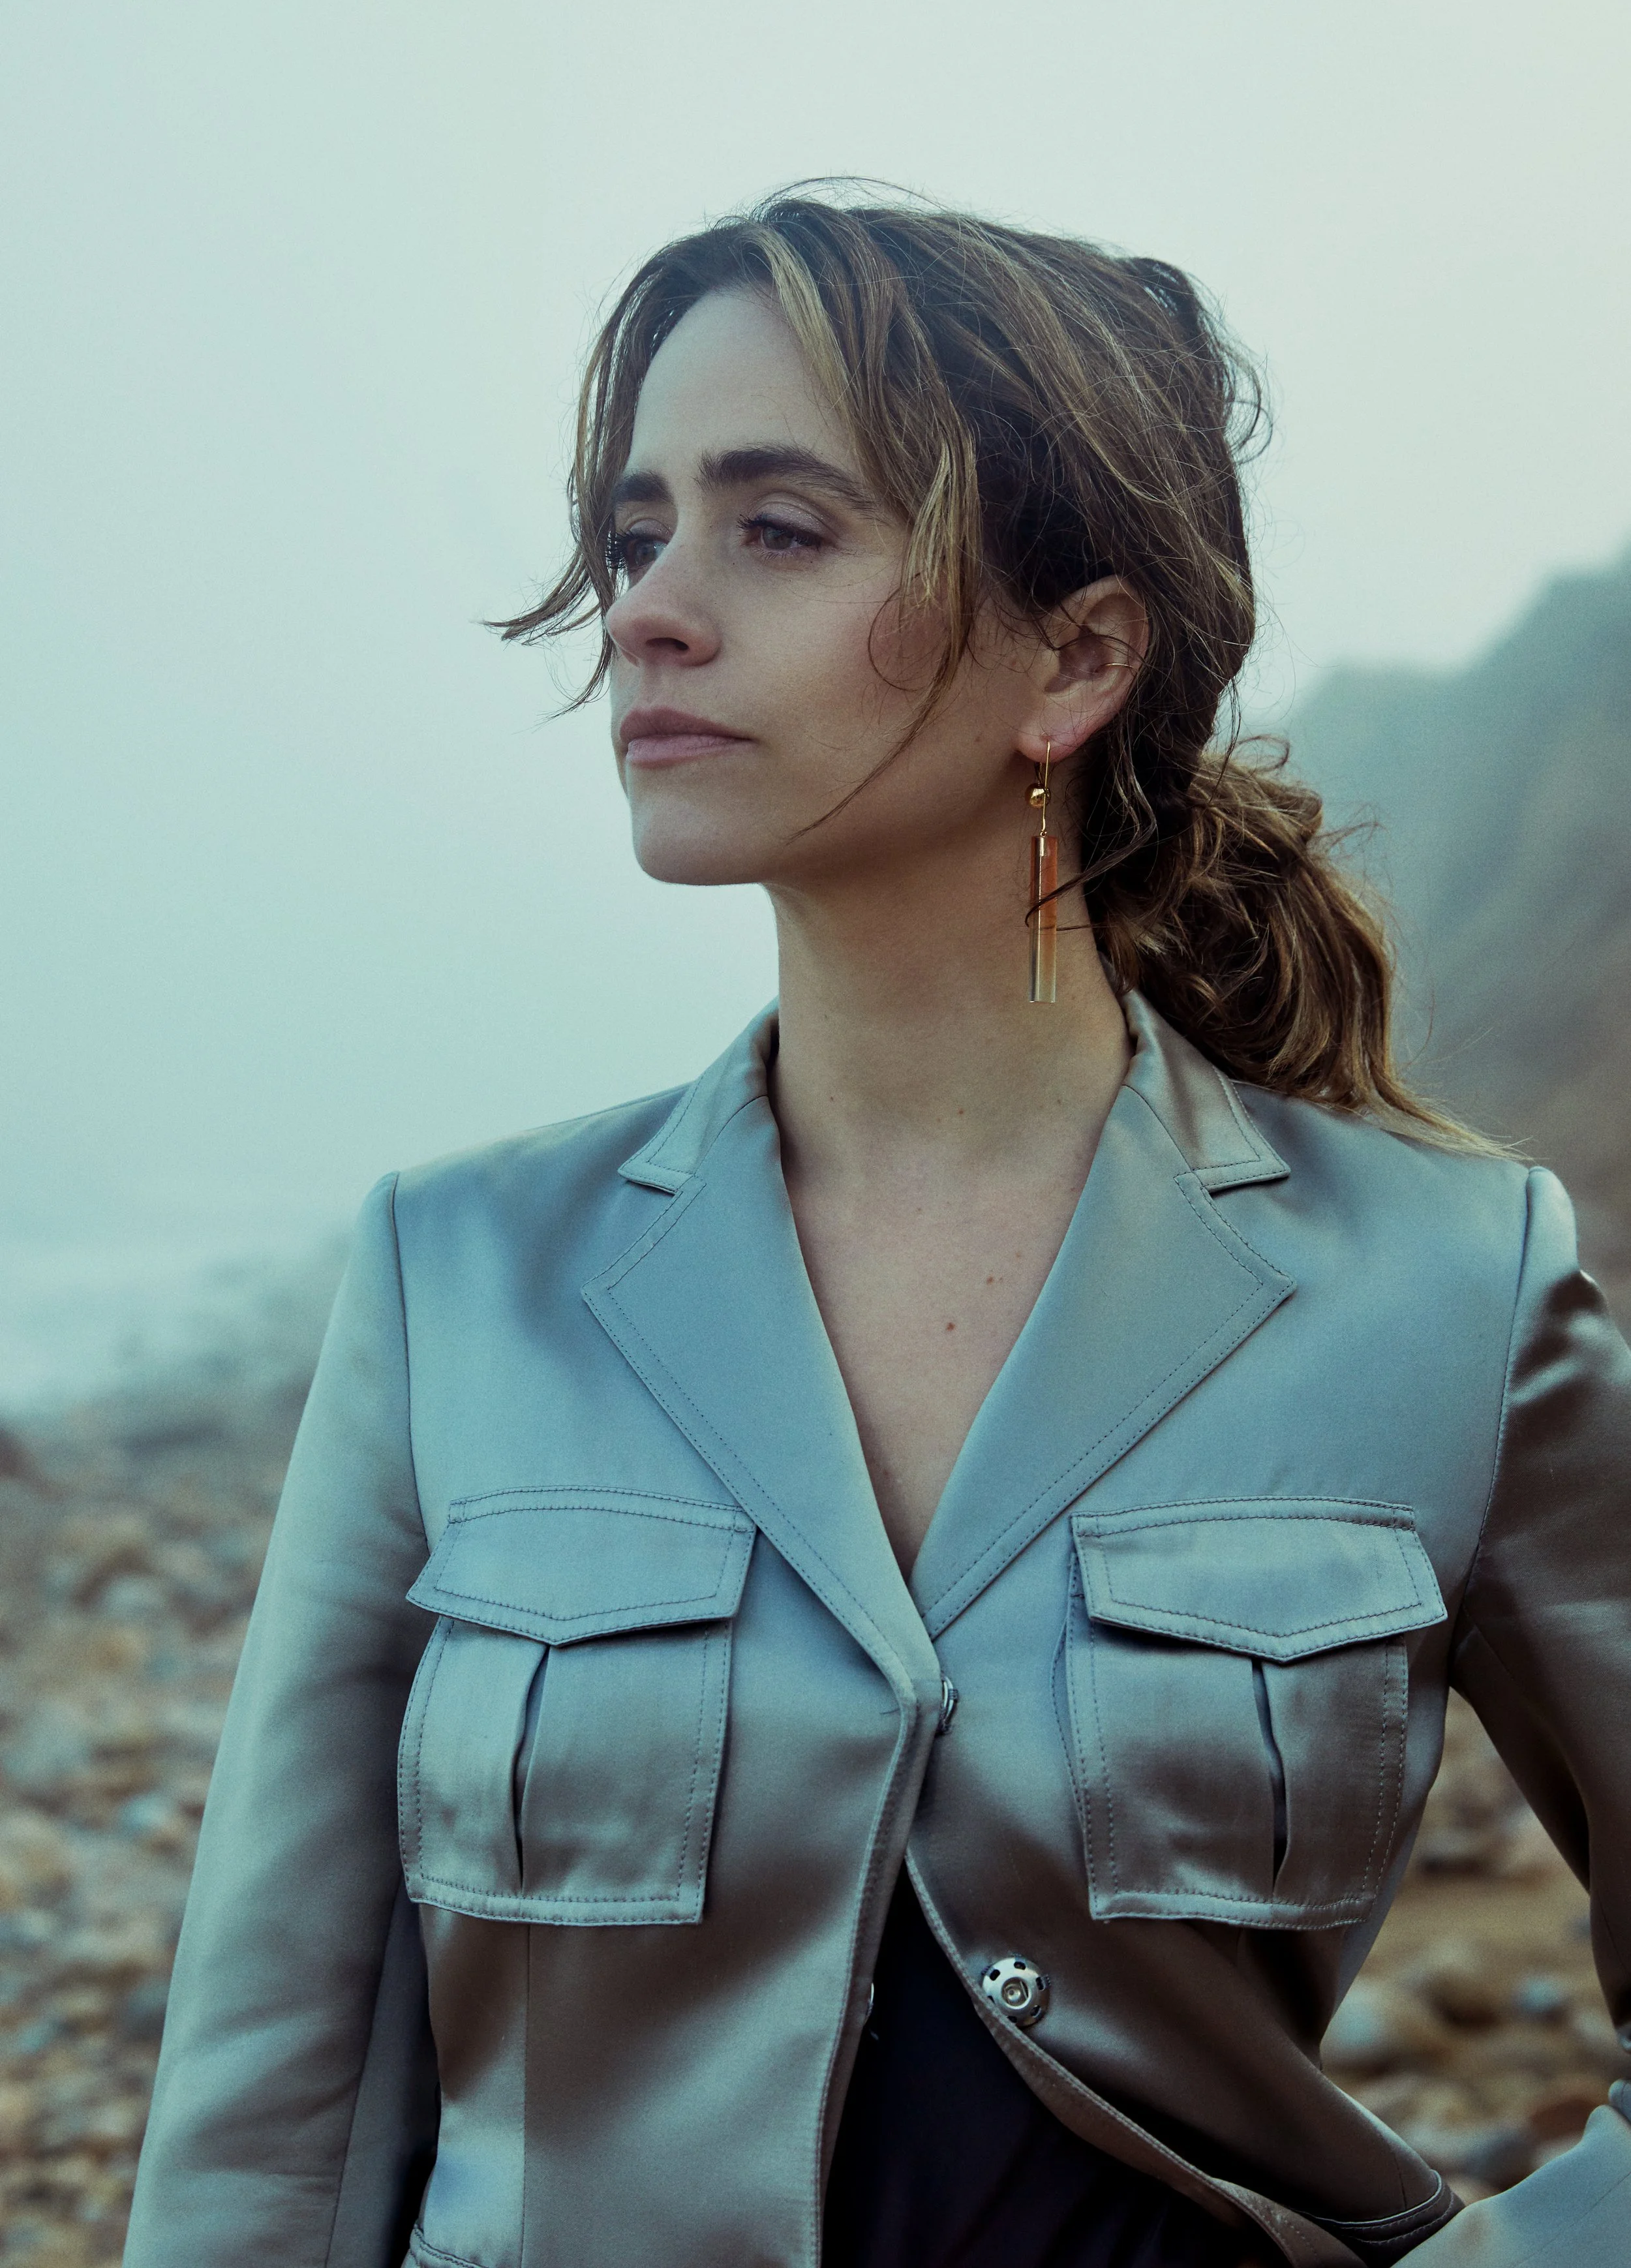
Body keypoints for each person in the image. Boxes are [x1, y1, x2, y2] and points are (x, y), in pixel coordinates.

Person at [123, 192, 1631, 2268]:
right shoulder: (453, 1279)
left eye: (775, 527)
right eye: (635, 532)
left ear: (1075, 657)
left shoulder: (1445, 1286)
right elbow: (271, 2126)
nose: (648, 611)